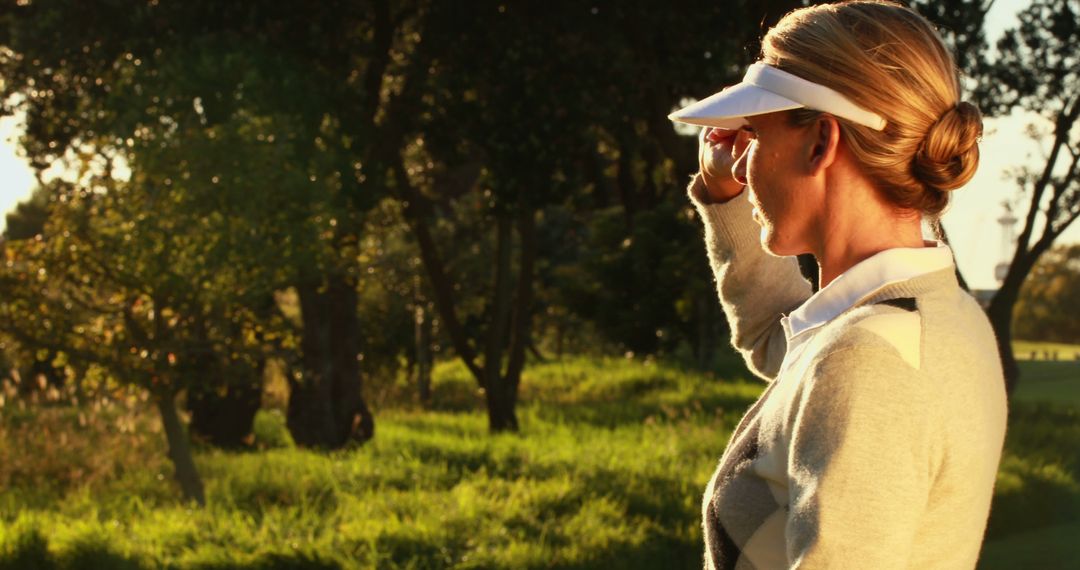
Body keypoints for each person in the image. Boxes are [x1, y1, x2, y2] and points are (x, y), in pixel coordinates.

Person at [667, 1, 1008, 568]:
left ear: (821, 141)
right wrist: (723, 196)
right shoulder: (933, 315)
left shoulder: (866, 363)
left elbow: (837, 367)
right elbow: (782, 344)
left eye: (755, 132)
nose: (744, 161)